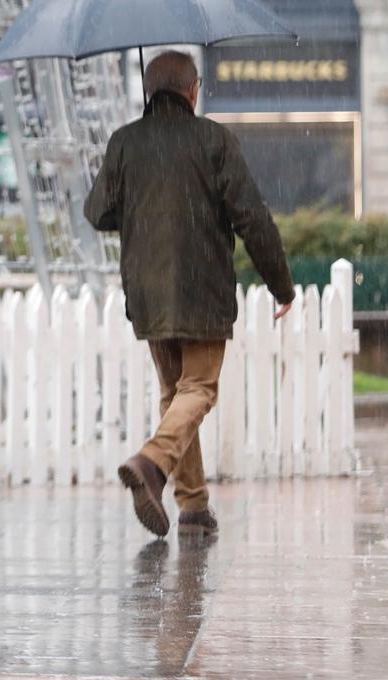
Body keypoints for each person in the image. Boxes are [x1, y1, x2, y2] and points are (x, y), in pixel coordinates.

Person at [85, 50, 296, 538]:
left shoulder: (124, 143)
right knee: (198, 389)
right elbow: (252, 218)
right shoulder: (213, 140)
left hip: (149, 292)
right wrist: (281, 285)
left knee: (174, 393)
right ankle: (152, 463)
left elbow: (98, 212)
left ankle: (194, 506)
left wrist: (139, 205)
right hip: (201, 289)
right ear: (193, 90)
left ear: (149, 93)